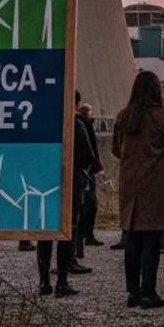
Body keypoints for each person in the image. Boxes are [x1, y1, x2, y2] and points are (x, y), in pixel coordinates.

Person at [113, 71, 164, 309]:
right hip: (155, 183)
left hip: (130, 183)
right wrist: (160, 161)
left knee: (132, 239)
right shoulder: (162, 116)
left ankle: (132, 292)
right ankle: (148, 292)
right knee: (152, 239)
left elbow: (115, 149)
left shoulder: (123, 116)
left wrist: (132, 160)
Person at [38, 105, 96, 297]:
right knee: (66, 230)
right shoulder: (75, 125)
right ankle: (62, 280)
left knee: (45, 232)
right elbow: (88, 155)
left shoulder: (43, 122)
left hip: (45, 183)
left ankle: (44, 281)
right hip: (69, 182)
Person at [78, 99, 106, 249]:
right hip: (88, 170)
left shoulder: (81, 125)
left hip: (85, 169)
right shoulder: (86, 126)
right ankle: (87, 235)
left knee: (85, 203)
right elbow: (92, 150)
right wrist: (97, 167)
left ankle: (83, 234)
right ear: (87, 113)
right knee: (90, 202)